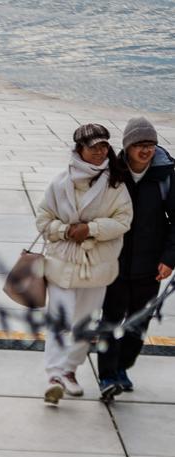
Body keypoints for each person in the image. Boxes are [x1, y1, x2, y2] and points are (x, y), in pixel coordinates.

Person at [35, 123, 134, 404]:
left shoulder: (116, 185)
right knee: (60, 320)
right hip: (63, 262)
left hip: (96, 265)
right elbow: (43, 219)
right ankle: (54, 375)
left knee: (84, 322)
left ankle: (70, 370)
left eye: (104, 146)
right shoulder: (59, 183)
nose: (100, 152)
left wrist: (90, 229)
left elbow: (123, 221)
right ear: (80, 149)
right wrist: (65, 231)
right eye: (94, 147)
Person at [99, 117, 175, 399]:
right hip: (114, 263)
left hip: (150, 265)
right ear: (128, 147)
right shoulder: (112, 174)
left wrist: (169, 258)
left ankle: (122, 367)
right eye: (140, 145)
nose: (146, 151)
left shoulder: (166, 175)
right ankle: (107, 376)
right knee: (110, 319)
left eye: (151, 145)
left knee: (139, 322)